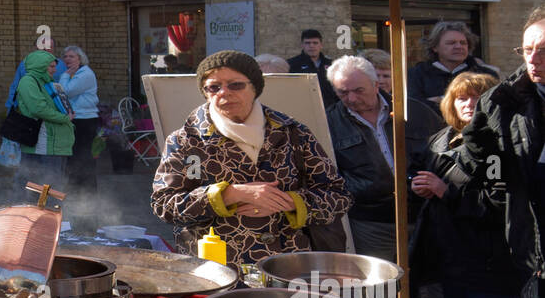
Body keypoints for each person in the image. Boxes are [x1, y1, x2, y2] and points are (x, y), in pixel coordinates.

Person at [151, 50, 350, 265]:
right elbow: (164, 205)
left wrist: (290, 202)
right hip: (216, 272)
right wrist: (229, 194)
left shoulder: (293, 133)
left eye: (235, 85)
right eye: (213, 87)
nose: (223, 93)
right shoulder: (186, 141)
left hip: (287, 269)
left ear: (255, 88)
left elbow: (338, 196)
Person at [450, 5, 545, 298]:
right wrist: (480, 127)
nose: (533, 59)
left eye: (543, 49)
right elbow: (477, 169)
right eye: (527, 49)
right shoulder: (509, 100)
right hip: (527, 248)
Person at [410, 71, 520, 298]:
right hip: (449, 257)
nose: (468, 104)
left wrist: (446, 191)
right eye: (461, 98)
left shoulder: (502, 144)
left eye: (477, 97)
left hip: (490, 260)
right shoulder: (441, 139)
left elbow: (501, 204)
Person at [325, 54, 442, 262]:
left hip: (423, 215)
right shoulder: (329, 122)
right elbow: (328, 175)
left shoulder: (414, 111)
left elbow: (444, 153)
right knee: (379, 287)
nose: (351, 99)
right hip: (370, 222)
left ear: (376, 85)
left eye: (359, 90)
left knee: (429, 284)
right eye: (343, 93)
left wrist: (433, 181)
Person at [15, 50, 74, 190]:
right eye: (51, 66)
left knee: (52, 185)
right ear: (39, 65)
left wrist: (68, 113)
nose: (55, 70)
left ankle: (49, 211)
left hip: (54, 144)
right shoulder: (28, 81)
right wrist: (65, 118)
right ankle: (35, 211)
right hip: (42, 143)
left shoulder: (49, 82)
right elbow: (38, 109)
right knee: (42, 184)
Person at [408, 21, 498, 106]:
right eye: (451, 43)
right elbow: (415, 107)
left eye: (463, 43)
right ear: (435, 47)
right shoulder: (416, 75)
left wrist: (440, 99)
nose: (458, 47)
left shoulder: (485, 75)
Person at [58, 45, 99, 209]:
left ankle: (86, 190)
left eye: (71, 57)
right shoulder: (75, 74)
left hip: (85, 120)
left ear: (80, 59)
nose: (67, 60)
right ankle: (75, 187)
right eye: (65, 57)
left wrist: (64, 75)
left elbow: (66, 91)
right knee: (75, 156)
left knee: (82, 156)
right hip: (76, 118)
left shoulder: (85, 74)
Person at [286, 29, 335, 106]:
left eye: (315, 43)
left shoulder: (331, 65)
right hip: (303, 107)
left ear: (321, 45)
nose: (311, 46)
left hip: (330, 110)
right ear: (302, 45)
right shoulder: (292, 64)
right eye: (307, 43)